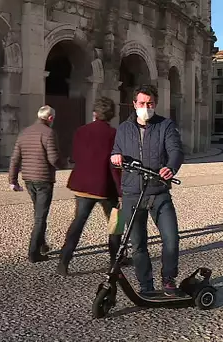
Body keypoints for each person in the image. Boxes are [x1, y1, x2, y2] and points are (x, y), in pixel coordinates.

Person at [110, 84, 184, 296]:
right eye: (141, 103)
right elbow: (116, 151)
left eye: (149, 103)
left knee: (171, 239)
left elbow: (176, 151)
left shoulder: (165, 126)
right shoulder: (124, 128)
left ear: (155, 104)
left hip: (158, 191)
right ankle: (146, 285)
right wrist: (116, 157)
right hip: (133, 193)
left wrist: (170, 167)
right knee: (138, 244)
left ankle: (169, 279)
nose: (146, 107)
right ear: (134, 104)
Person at [57, 97, 123, 276]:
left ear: (94, 113)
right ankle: (114, 262)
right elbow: (114, 165)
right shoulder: (114, 134)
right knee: (115, 224)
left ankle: (64, 261)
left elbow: (76, 156)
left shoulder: (81, 131)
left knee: (78, 223)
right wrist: (121, 190)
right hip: (105, 187)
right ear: (111, 115)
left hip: (83, 185)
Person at [9, 105, 64, 263]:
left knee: (38, 213)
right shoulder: (49, 133)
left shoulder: (24, 132)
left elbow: (15, 158)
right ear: (50, 118)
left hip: (28, 180)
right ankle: (34, 253)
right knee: (41, 217)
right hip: (43, 179)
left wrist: (12, 180)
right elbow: (53, 158)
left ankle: (42, 244)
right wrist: (63, 164)